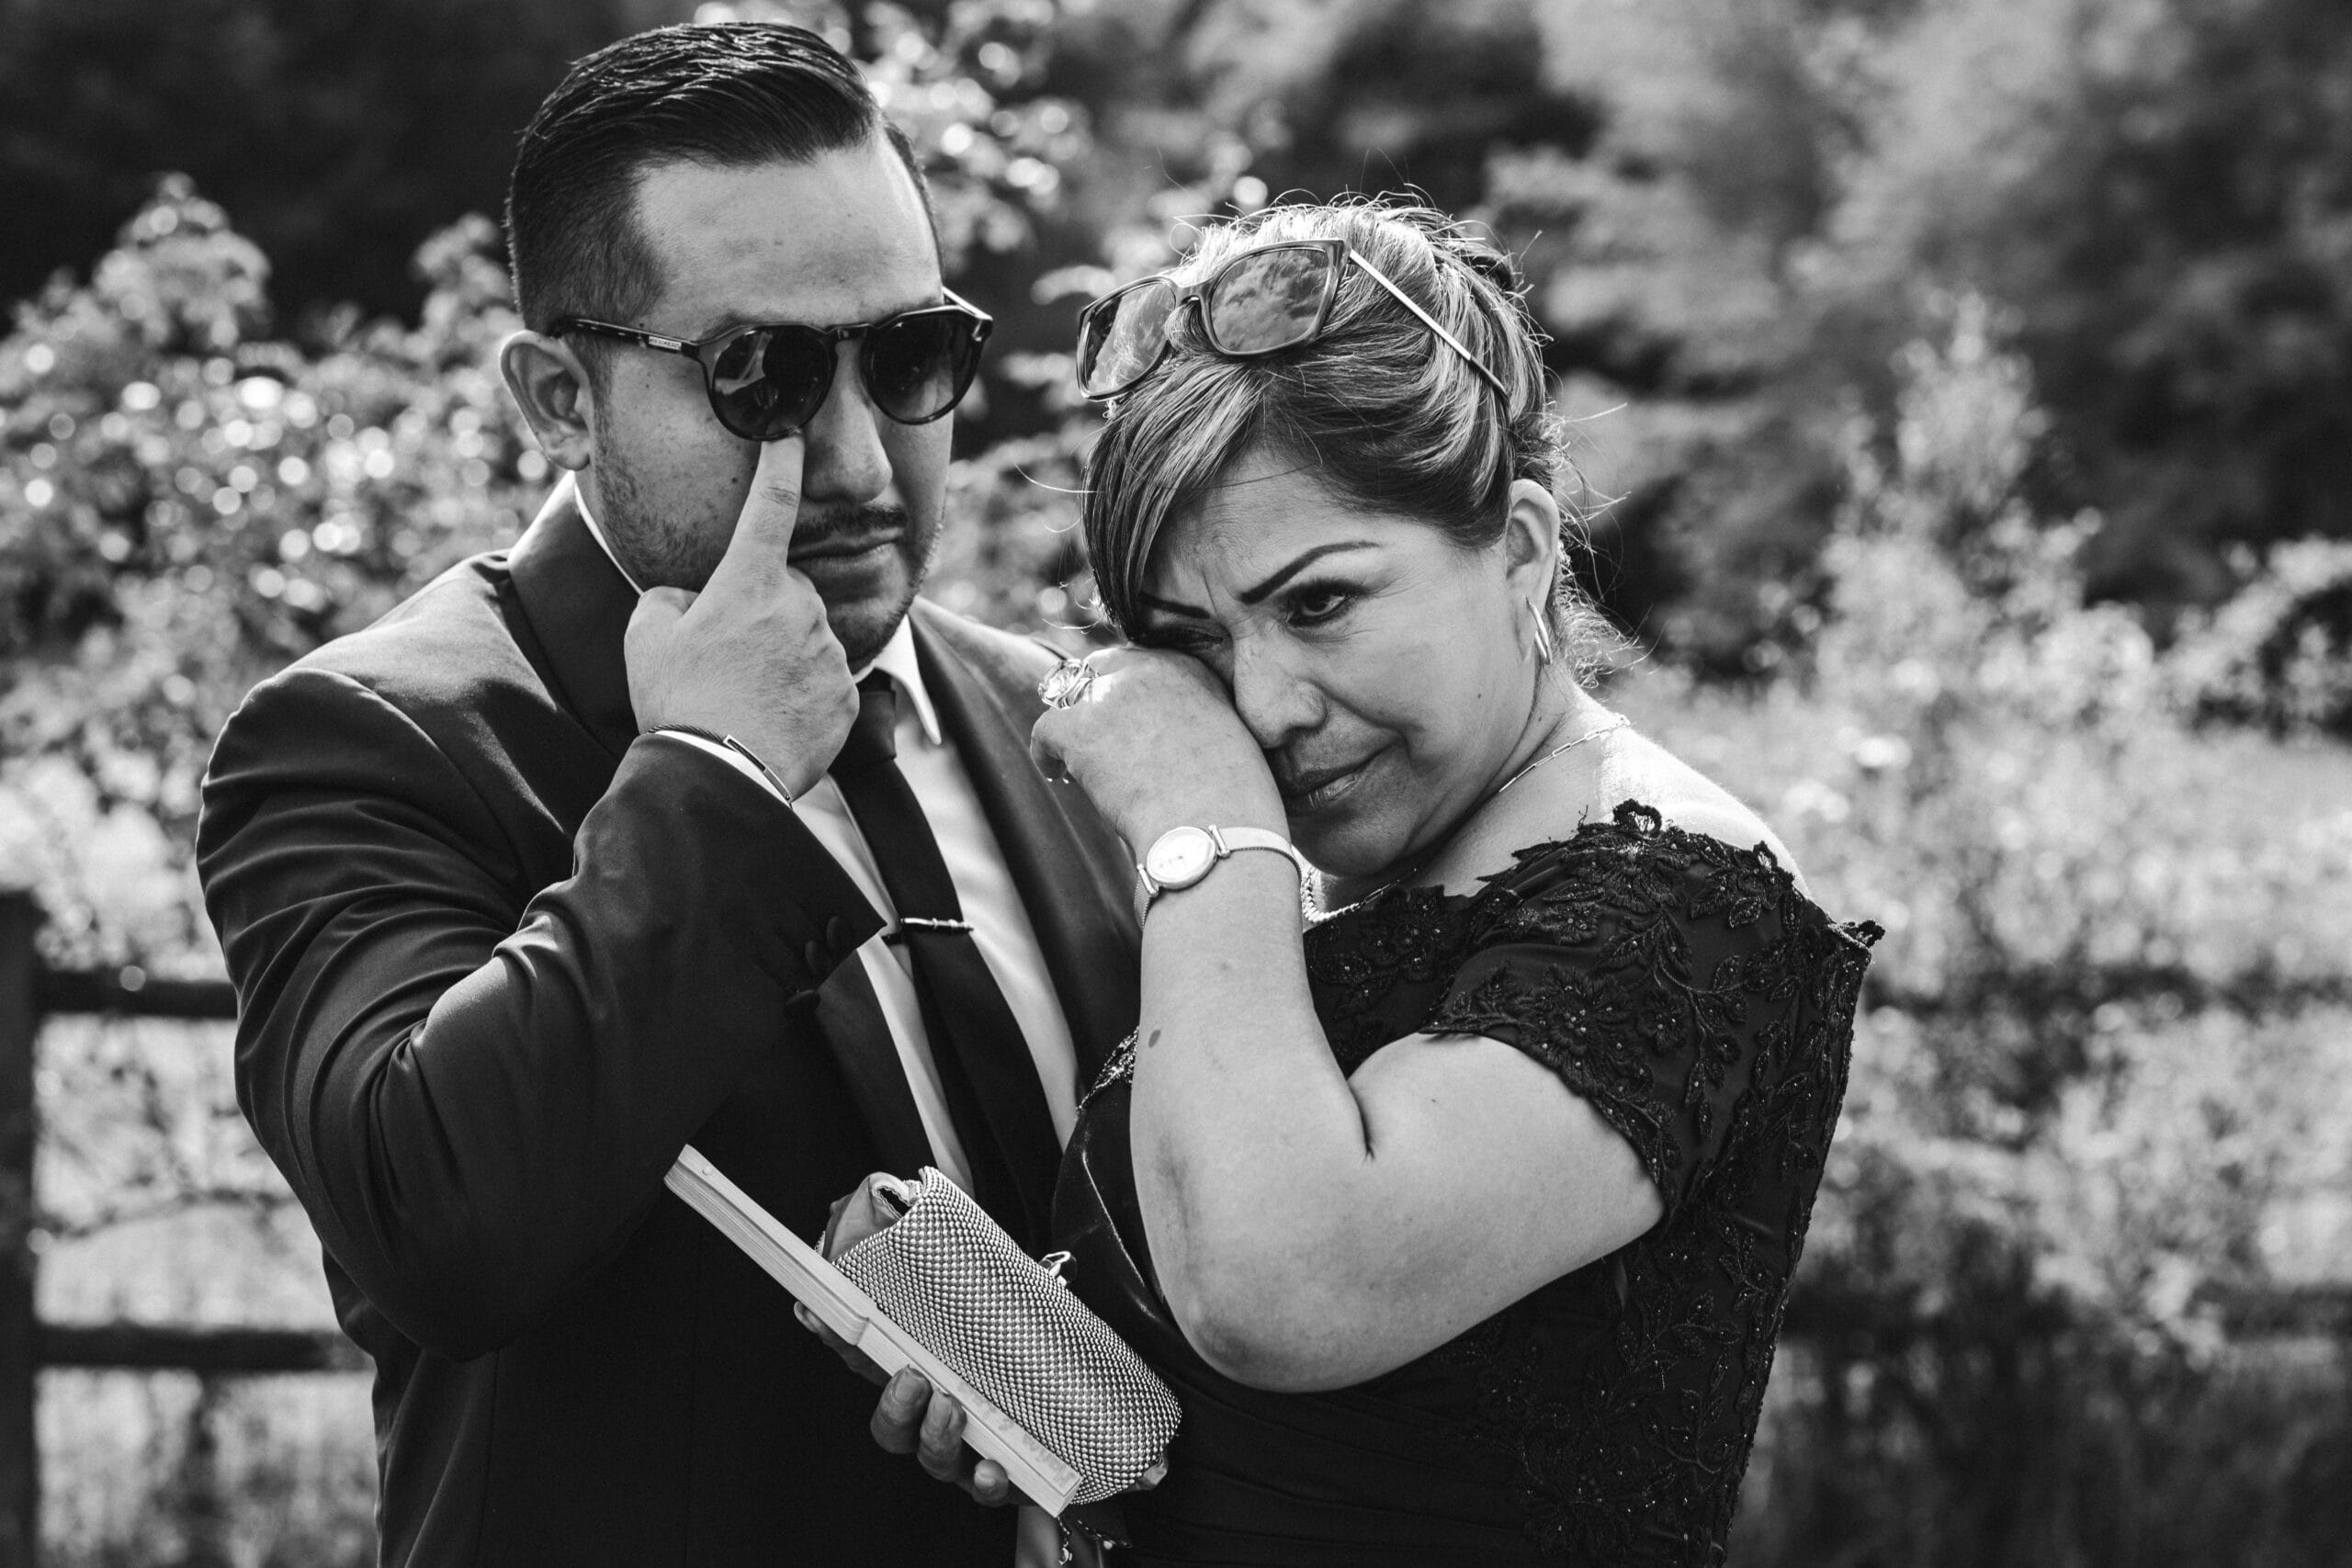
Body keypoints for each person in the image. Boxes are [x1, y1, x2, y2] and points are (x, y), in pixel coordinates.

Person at [197, 23, 1136, 1567]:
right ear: (559, 400)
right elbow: (444, 1228)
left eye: (908, 358)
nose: (854, 456)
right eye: (762, 374)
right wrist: (717, 778)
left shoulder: (1052, 716)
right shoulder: (370, 740)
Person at [855, 200, 1881, 1564]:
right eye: (1190, 644)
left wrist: (1201, 830)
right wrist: (1036, 1363)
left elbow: (1286, 1287)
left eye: (1321, 602)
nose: (1265, 707)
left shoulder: (1677, 906)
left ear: (1516, 551)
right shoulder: (1370, 877)